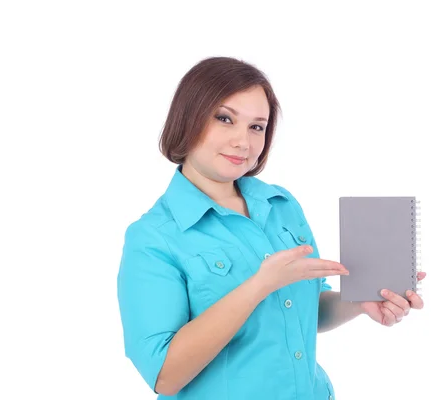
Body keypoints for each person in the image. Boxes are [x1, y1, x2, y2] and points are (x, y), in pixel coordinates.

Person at [116, 56, 426, 400]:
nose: (243, 142)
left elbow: (306, 308)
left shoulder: (280, 204)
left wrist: (359, 302)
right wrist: (260, 285)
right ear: (187, 118)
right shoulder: (152, 237)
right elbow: (164, 376)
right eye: (224, 119)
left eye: (256, 127)